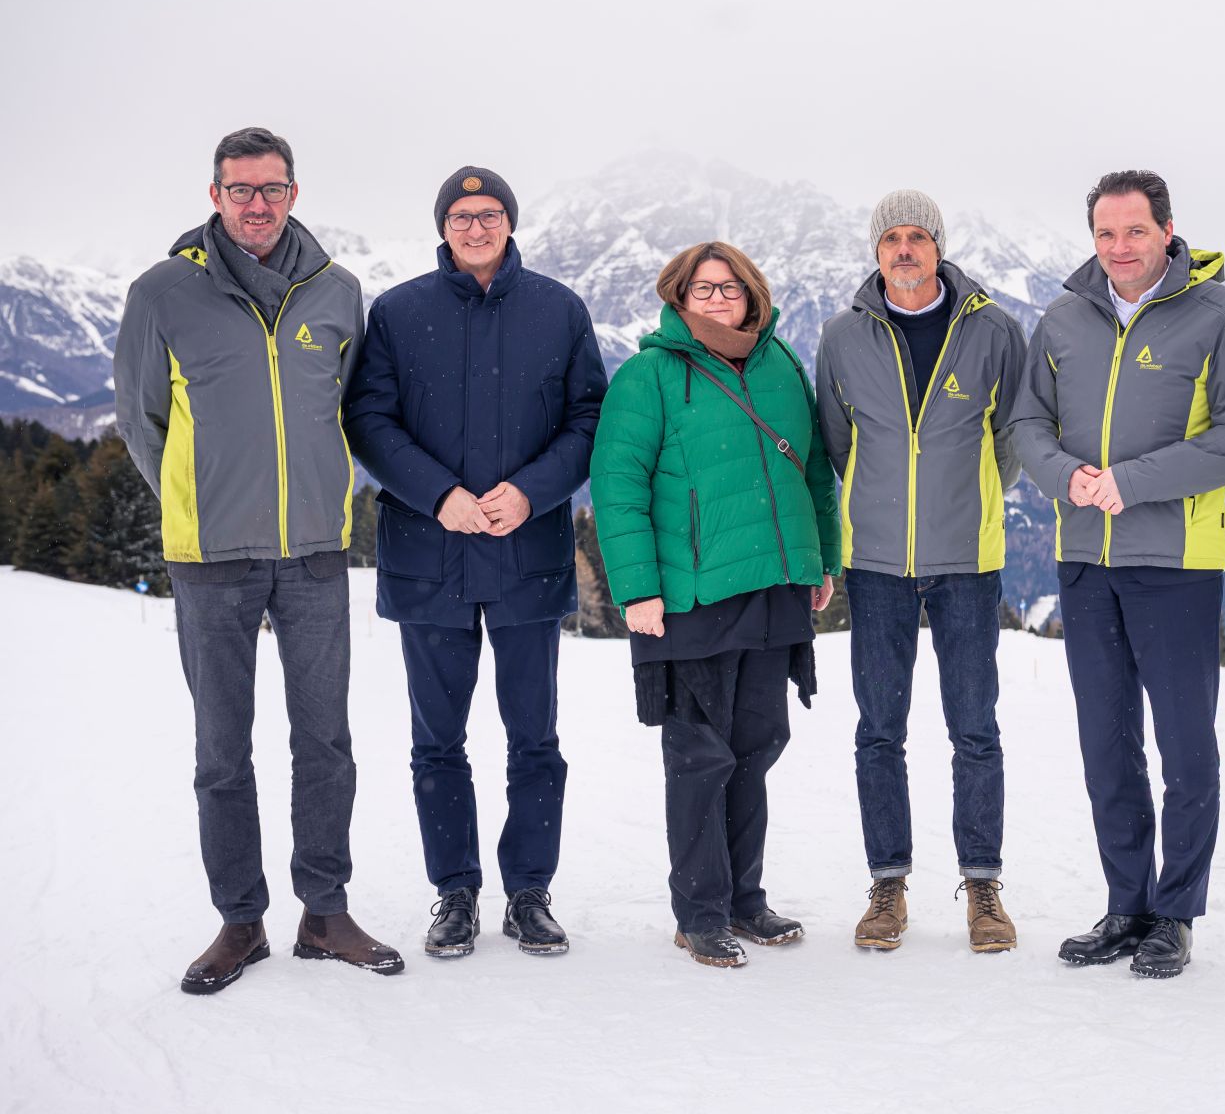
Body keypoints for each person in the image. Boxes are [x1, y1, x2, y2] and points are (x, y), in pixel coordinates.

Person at [113, 126, 403, 993]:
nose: (256, 204)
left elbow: (350, 414)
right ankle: (240, 922)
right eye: (240, 190)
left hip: (315, 550)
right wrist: (202, 498)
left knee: (326, 741)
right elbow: (140, 420)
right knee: (220, 751)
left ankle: (324, 911)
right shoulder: (163, 291)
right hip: (211, 556)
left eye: (271, 188)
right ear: (214, 197)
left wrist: (320, 499)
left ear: (294, 193)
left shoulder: (337, 292)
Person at [1008, 170, 1225, 979]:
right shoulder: (1061, 317)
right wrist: (1066, 478)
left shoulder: (1219, 313)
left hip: (1177, 565)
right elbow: (1025, 424)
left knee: (1187, 747)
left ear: (1167, 230)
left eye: (1135, 231)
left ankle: (1175, 914)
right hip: (1085, 558)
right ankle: (1126, 905)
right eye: (1106, 234)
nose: (1120, 248)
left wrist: (1133, 480)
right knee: (1106, 744)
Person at [344, 166, 606, 959]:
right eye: (461, 215)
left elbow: (590, 416)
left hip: (526, 553)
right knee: (438, 741)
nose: (476, 226)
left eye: (489, 213)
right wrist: (437, 495)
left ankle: (529, 893)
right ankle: (453, 894)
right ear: (443, 226)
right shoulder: (398, 312)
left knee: (535, 738)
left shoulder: (558, 309)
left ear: (510, 222)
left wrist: (530, 492)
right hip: (431, 557)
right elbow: (369, 417)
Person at [590, 241, 840, 968]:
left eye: (730, 288)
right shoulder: (650, 375)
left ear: (752, 294)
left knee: (756, 748)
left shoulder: (783, 366)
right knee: (700, 755)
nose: (718, 300)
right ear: (678, 296)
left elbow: (816, 470)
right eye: (702, 289)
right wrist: (636, 589)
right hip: (691, 593)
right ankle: (699, 910)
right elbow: (618, 483)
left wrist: (820, 557)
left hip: (773, 585)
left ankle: (744, 900)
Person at [815, 189, 1027, 953]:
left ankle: (983, 887)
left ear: (939, 247)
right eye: (892, 238)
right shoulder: (843, 336)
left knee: (975, 728)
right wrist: (877, 505)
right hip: (874, 561)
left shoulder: (994, 330)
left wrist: (964, 502)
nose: (905, 249)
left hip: (967, 558)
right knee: (879, 731)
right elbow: (839, 443)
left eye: (918, 237)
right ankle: (888, 884)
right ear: (876, 252)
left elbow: (1010, 436)